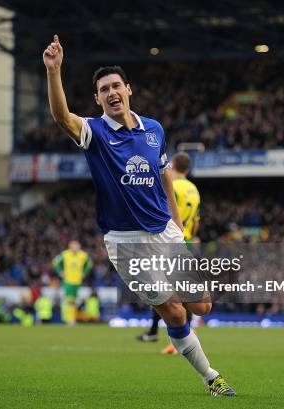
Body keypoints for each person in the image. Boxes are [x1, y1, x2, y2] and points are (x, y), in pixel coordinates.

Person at [43, 35, 235, 396]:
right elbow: (60, 117)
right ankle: (212, 377)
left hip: (165, 233)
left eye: (116, 85)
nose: (111, 92)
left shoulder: (154, 130)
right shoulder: (95, 133)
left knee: (203, 305)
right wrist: (54, 71)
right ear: (97, 98)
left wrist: (177, 228)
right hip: (127, 245)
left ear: (128, 89)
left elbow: (165, 178)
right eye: (104, 89)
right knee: (176, 315)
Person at [135, 152, 201, 354]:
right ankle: (157, 331)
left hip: (168, 241)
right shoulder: (193, 189)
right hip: (187, 239)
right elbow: (196, 221)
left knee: (162, 290)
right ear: (188, 168)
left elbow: (164, 210)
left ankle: (179, 338)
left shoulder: (173, 185)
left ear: (172, 165)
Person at [52, 240, 92, 325]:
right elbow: (55, 262)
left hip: (77, 281)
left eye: (77, 246)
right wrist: (60, 272)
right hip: (68, 281)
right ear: (70, 246)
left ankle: (71, 319)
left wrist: (84, 273)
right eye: (74, 246)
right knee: (69, 300)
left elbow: (90, 264)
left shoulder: (83, 255)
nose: (76, 247)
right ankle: (69, 319)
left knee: (73, 301)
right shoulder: (65, 254)